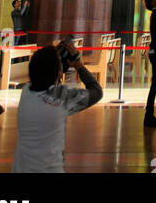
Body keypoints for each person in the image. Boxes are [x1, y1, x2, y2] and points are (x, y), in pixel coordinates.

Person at [12, 39, 103, 173]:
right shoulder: (61, 96)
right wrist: (78, 64)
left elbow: (44, 70)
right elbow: (97, 91)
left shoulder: (26, 92)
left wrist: (55, 56)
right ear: (59, 73)